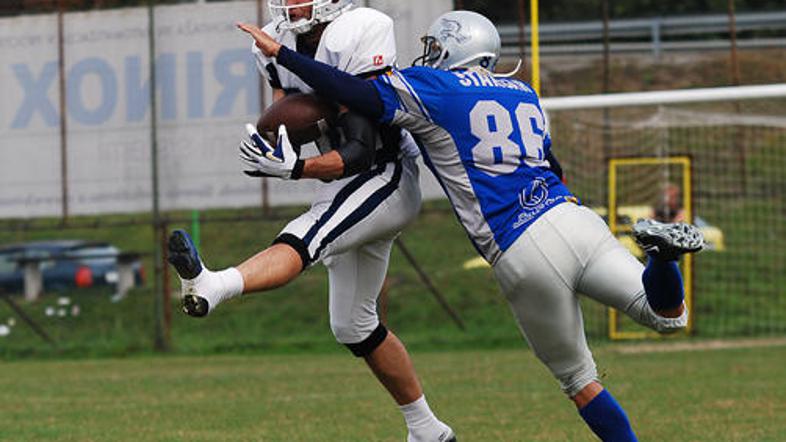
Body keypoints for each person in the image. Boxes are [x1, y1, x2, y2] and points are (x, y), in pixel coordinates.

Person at [238, 10, 705, 441]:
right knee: (667, 314)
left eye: (435, 48)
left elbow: (355, 92)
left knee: (580, 382)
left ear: (454, 50)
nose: (429, 57)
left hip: (519, 245)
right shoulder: (525, 93)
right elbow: (554, 167)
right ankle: (661, 257)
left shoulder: (435, 88)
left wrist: (284, 55)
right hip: (574, 217)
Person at [169, 2, 455, 441]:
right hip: (341, 182)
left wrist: (298, 169)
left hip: (384, 172)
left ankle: (214, 284)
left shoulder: (361, 30)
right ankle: (428, 430)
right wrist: (273, 152)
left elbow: (360, 148)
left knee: (310, 232)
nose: (288, 2)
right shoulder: (273, 39)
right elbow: (286, 116)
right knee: (353, 325)